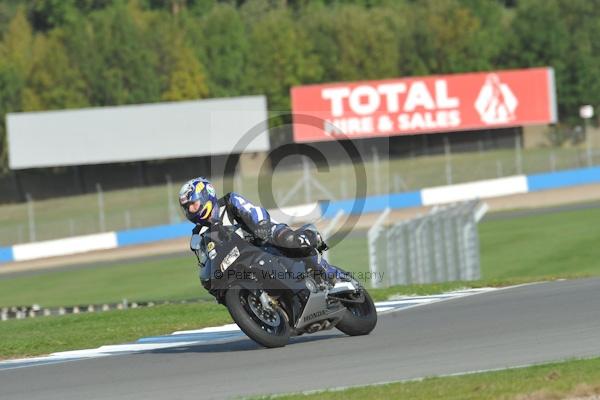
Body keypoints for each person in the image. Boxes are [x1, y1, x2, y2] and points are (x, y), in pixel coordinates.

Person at [178, 177, 343, 284]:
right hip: (241, 261)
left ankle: (329, 271)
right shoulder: (197, 234)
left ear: (207, 196)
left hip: (263, 236)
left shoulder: (229, 202)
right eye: (187, 208)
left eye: (193, 204)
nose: (191, 210)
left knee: (286, 240)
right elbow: (205, 261)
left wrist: (262, 226)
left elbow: (253, 211)